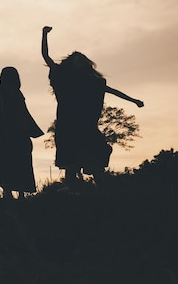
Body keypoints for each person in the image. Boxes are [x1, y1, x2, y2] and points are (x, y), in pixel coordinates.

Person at [41, 26, 144, 186]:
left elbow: (113, 91)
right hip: (68, 124)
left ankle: (103, 192)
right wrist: (44, 34)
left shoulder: (92, 81)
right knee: (71, 162)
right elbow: (46, 56)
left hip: (86, 126)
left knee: (96, 158)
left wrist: (134, 100)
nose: (80, 62)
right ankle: (71, 191)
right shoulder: (64, 76)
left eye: (82, 60)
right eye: (77, 60)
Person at [0, 67, 43, 199]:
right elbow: (23, 114)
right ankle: (19, 193)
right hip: (15, 134)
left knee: (5, 163)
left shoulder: (1, 91)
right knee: (19, 163)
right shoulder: (15, 93)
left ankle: (8, 193)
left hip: (4, 134)